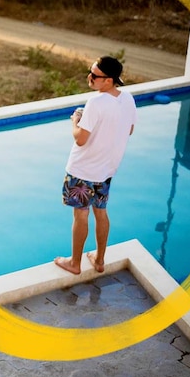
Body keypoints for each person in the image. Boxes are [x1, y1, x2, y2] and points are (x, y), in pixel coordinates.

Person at [54, 56, 136, 275]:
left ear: (108, 80)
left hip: (82, 170)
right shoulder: (127, 98)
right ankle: (99, 260)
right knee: (101, 212)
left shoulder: (96, 103)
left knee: (81, 215)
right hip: (106, 170)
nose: (89, 77)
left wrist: (76, 121)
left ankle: (75, 263)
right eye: (90, 72)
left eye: (94, 75)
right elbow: (129, 130)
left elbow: (80, 139)